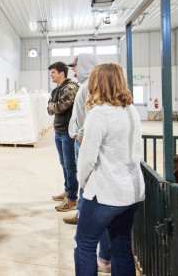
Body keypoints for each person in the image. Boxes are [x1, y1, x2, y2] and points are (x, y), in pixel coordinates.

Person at [74, 63, 145, 276]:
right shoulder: (131, 110)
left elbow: (86, 159)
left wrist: (83, 182)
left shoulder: (99, 114)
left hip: (106, 193)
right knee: (121, 243)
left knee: (85, 243)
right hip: (131, 193)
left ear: (98, 83)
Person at [64, 54, 111, 273]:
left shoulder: (87, 88)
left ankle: (100, 255)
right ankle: (105, 256)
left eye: (75, 66)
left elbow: (91, 119)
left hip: (83, 142)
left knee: (90, 198)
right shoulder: (88, 86)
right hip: (83, 139)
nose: (73, 70)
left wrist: (80, 136)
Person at [47, 61, 79, 211]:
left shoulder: (70, 87)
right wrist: (54, 106)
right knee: (64, 164)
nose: (51, 75)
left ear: (61, 73)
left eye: (53, 72)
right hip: (58, 132)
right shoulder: (56, 90)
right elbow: (50, 108)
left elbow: (60, 106)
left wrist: (54, 106)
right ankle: (68, 190)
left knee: (70, 165)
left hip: (68, 133)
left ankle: (72, 199)